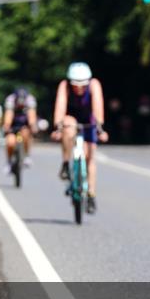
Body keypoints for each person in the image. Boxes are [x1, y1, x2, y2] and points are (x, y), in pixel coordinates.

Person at [52, 62, 109, 214]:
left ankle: (91, 194)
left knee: (90, 156)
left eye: (82, 85)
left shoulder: (94, 85)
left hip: (89, 119)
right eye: (75, 84)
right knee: (68, 127)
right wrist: (58, 126)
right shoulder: (64, 86)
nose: (79, 88)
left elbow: (98, 106)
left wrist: (99, 127)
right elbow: (60, 106)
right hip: (71, 117)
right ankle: (65, 163)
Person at [3, 88, 37, 171]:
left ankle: (26, 156)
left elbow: (32, 115)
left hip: (24, 124)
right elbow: (8, 115)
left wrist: (33, 126)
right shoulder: (10, 100)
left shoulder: (30, 100)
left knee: (25, 134)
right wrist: (6, 126)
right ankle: (9, 162)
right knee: (10, 143)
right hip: (13, 124)